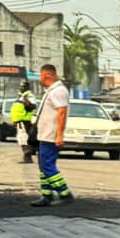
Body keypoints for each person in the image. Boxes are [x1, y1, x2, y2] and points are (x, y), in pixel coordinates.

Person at [32, 63, 75, 207]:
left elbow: (61, 113)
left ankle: (64, 193)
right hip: (44, 135)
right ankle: (47, 195)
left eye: (41, 76)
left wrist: (59, 135)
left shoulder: (58, 91)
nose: (41, 79)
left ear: (47, 75)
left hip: (51, 136)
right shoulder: (51, 91)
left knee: (48, 166)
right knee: (43, 167)